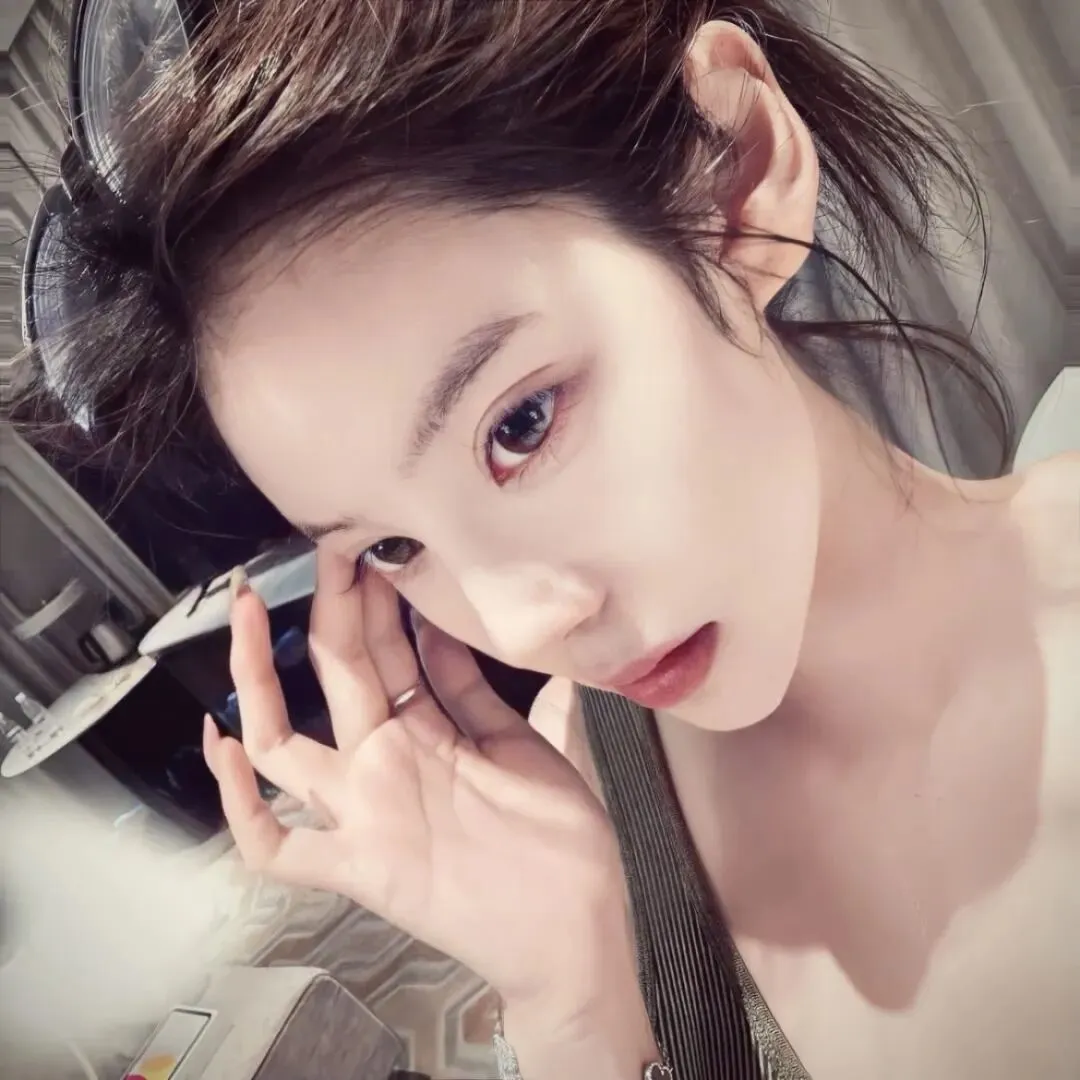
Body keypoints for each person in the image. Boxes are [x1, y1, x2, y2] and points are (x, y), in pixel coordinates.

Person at [11, 2, 1079, 1078]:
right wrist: (573, 1002)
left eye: (520, 425)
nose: (522, 631)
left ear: (736, 175)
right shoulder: (588, 761)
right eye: (390, 547)